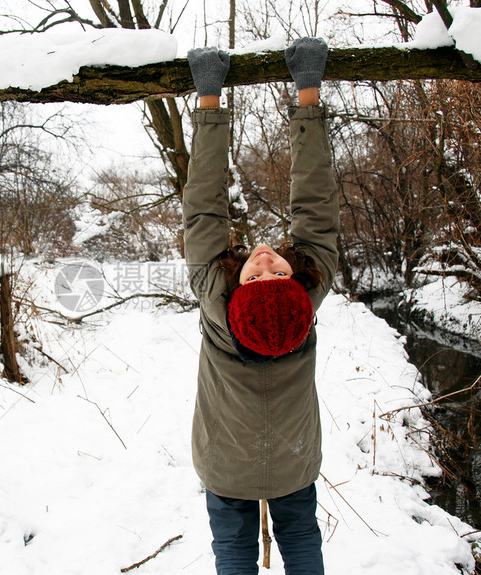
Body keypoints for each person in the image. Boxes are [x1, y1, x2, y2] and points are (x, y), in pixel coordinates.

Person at [183, 38, 338, 575]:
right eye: (274, 270)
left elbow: (204, 210)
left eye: (260, 272)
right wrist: (308, 91)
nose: (267, 258)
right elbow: (316, 206)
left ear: (237, 291)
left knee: (232, 554)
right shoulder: (309, 297)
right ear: (300, 287)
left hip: (226, 469)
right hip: (294, 462)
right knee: (301, 544)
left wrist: (209, 100)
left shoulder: (213, 295)